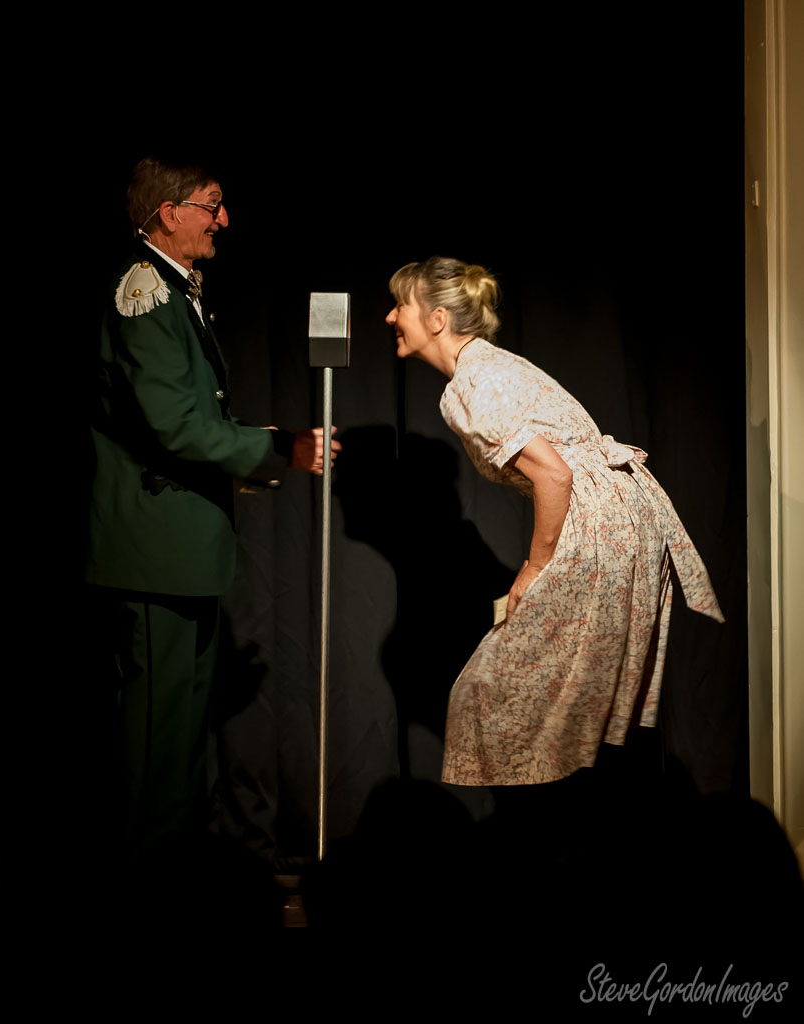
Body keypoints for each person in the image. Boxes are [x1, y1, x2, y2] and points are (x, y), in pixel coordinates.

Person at [385, 257, 723, 787]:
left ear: (437, 319)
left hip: (600, 521)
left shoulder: (472, 382)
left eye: (400, 305)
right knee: (582, 699)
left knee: (508, 695)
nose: (390, 317)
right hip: (626, 513)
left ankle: (565, 822)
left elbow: (554, 474)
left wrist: (534, 568)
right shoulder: (494, 365)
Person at [86, 156, 339, 863]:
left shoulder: (176, 289)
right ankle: (148, 874)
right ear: (170, 214)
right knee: (158, 733)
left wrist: (260, 446)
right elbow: (173, 426)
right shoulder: (145, 294)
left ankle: (173, 867)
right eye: (211, 204)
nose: (223, 219)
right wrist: (277, 449)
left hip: (181, 548)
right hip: (154, 549)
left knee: (182, 726)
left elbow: (191, 417)